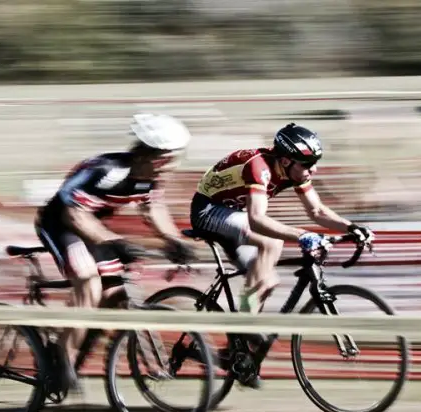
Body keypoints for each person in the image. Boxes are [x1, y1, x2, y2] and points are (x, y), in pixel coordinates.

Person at [189, 122, 374, 387]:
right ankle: (245, 327)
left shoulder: (294, 169)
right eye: (307, 165)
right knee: (272, 244)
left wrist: (352, 227)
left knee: (268, 280)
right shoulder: (259, 167)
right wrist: (302, 235)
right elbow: (256, 220)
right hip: (208, 211)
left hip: (235, 215)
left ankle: (235, 353)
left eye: (314, 163)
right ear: (286, 160)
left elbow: (318, 212)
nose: (313, 170)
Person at [35, 113, 197, 392]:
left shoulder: (150, 178)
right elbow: (74, 215)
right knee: (88, 280)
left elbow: (153, 209)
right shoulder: (108, 170)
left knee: (116, 291)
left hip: (93, 227)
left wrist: (174, 240)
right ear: (152, 155)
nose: (172, 166)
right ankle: (62, 355)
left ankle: (79, 336)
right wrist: (114, 240)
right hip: (61, 223)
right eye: (169, 159)